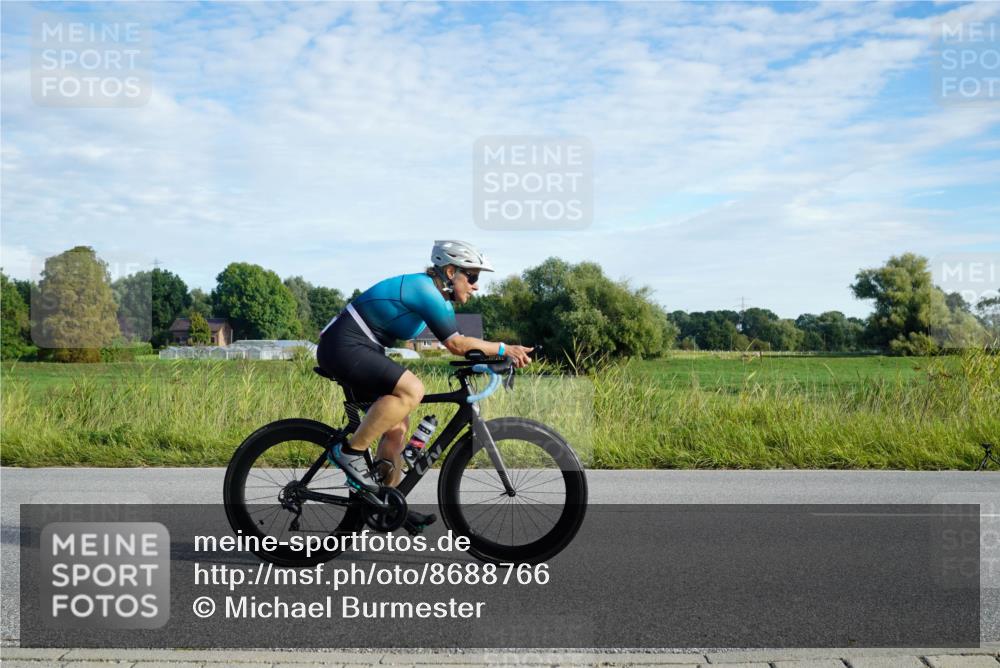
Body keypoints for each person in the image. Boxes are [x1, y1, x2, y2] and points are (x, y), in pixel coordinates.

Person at [317, 240, 533, 529]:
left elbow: (459, 342)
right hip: (345, 345)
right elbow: (456, 344)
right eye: (472, 277)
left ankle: (385, 503)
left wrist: (488, 358)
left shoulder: (438, 299)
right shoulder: (425, 290)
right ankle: (350, 453)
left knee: (396, 427)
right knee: (413, 390)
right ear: (450, 270)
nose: (476, 286)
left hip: (360, 346)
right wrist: (504, 349)